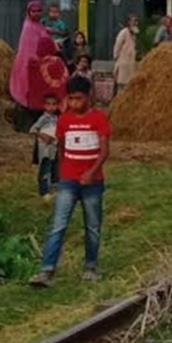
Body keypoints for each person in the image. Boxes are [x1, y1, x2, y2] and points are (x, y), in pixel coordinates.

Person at [29, 75, 110, 287]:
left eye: (80, 99)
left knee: (92, 225)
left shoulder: (99, 119)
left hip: (93, 183)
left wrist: (92, 172)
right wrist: (64, 174)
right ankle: (46, 270)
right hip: (68, 180)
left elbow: (104, 151)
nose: (75, 103)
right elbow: (62, 147)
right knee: (58, 224)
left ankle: (90, 266)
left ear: (89, 97)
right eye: (72, 99)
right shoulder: (64, 120)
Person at [12, 1, 69, 129]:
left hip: (42, 65)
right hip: (29, 66)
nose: (36, 13)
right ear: (28, 12)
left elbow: (46, 37)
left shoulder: (40, 25)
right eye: (34, 11)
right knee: (27, 97)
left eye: (39, 11)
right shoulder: (28, 27)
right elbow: (28, 49)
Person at [30, 93, 60, 201]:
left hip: (54, 147)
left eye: (54, 104)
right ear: (44, 106)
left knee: (55, 168)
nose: (51, 107)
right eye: (48, 104)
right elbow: (33, 129)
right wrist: (43, 136)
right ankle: (44, 191)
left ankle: (55, 188)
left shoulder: (56, 118)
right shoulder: (43, 118)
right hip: (45, 148)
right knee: (45, 169)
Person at [112, 15, 139, 93]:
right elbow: (117, 45)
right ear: (129, 22)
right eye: (133, 21)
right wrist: (116, 58)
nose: (135, 23)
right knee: (122, 85)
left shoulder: (134, 34)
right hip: (123, 62)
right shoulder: (123, 32)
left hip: (131, 63)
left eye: (136, 21)